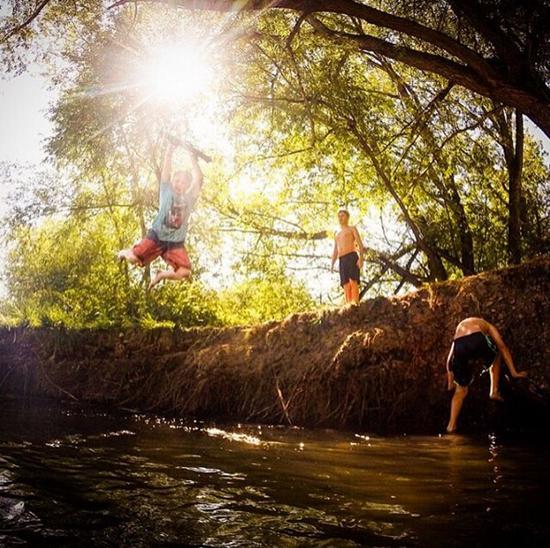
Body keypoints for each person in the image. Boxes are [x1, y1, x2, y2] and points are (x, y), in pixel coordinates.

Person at [117, 137, 204, 289]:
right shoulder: (166, 192)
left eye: (183, 182)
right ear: (172, 182)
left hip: (175, 243)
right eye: (176, 180)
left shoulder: (189, 199)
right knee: (134, 260)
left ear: (187, 186)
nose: (179, 184)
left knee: (184, 272)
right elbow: (166, 172)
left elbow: (199, 179)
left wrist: (193, 159)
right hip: (156, 236)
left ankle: (161, 275)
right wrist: (169, 150)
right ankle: (126, 252)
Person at [446, 317, 528, 433]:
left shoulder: (460, 331)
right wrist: (514, 373)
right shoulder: (487, 325)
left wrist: (450, 382)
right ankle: (493, 391)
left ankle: (451, 425)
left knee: (460, 390)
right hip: (476, 340)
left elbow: (449, 361)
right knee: (496, 355)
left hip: (459, 346)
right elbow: (502, 347)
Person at [331, 209, 365, 305]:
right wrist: (332, 264)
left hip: (352, 256)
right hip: (342, 259)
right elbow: (335, 250)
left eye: (342, 216)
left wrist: (361, 258)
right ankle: (348, 305)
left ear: (347, 217)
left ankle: (355, 303)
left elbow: (360, 244)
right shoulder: (336, 232)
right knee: (345, 284)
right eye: (339, 216)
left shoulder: (352, 228)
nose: (340, 218)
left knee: (353, 281)